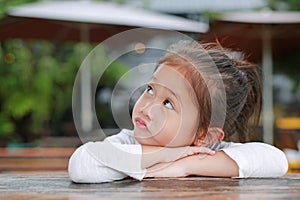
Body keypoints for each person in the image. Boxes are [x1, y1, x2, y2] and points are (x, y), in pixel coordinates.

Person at [68, 40, 288, 183]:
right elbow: (82, 164)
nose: (147, 106)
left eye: (168, 103)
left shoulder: (209, 150)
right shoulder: (128, 143)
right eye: (150, 89)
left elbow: (277, 160)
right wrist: (167, 154)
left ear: (205, 135)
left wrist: (185, 164)